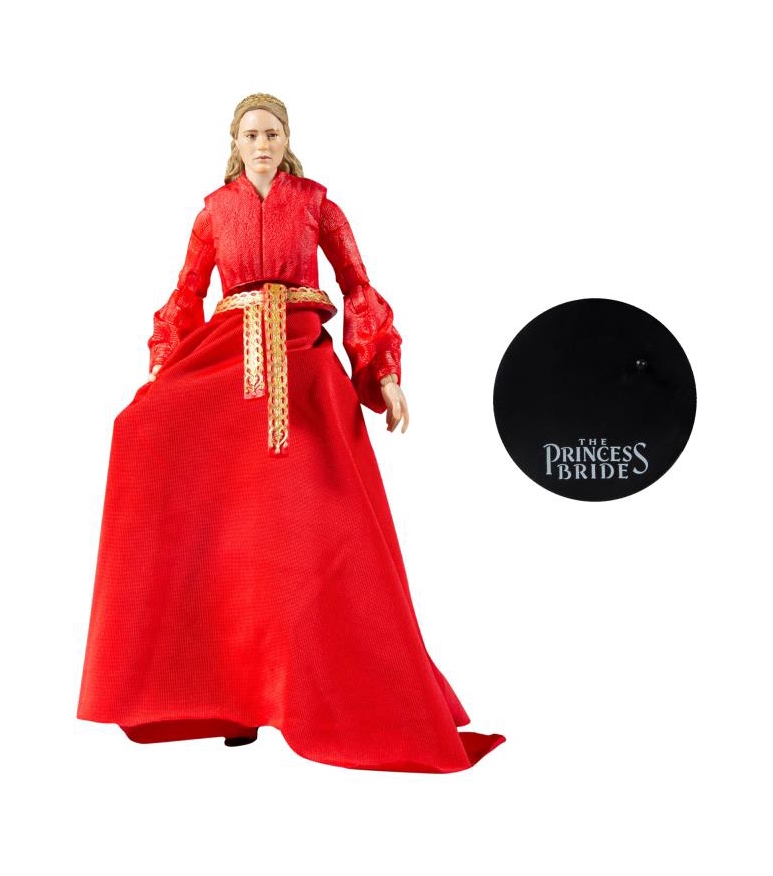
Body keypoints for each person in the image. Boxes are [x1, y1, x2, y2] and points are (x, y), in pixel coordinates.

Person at [76, 93, 505, 773]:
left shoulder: (317, 204)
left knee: (321, 523)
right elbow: (187, 293)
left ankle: (323, 689)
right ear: (235, 141)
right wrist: (164, 367)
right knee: (225, 523)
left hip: (305, 369)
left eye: (272, 133)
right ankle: (237, 696)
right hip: (228, 365)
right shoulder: (214, 212)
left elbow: (358, 286)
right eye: (251, 134)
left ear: (286, 138)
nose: (262, 143)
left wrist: (384, 372)